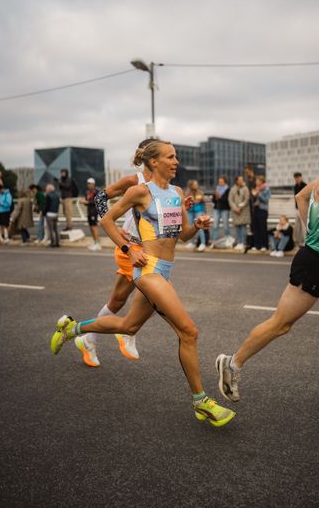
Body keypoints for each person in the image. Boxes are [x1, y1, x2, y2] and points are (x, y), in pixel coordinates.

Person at [50, 140, 236, 426]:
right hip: (148, 270)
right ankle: (202, 402)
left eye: (176, 157)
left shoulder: (176, 192)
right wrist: (128, 249)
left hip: (166, 269)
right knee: (189, 332)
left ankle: (72, 328)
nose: (176, 162)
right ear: (153, 162)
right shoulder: (140, 192)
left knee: (128, 326)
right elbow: (107, 221)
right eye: (171, 157)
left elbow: (181, 236)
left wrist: (196, 227)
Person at [216, 115, 319, 415]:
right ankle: (232, 364)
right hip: (316, 264)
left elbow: (301, 196)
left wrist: (311, 231)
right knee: (281, 324)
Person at [74, 139, 155, 367]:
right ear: (152, 158)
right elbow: (100, 197)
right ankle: (128, 330)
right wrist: (110, 223)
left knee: (117, 301)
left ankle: (88, 339)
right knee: (157, 295)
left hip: (149, 249)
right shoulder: (134, 181)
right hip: (131, 247)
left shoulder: (165, 184)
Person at [184, 180, 208, 252]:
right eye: (195, 184)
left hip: (199, 211)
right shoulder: (188, 192)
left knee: (199, 227)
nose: (196, 185)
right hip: (190, 211)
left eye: (197, 184)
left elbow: (204, 201)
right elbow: (185, 200)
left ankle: (203, 243)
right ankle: (192, 242)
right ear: (191, 185)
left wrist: (204, 212)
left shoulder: (200, 192)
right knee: (191, 227)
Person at [229, 175, 250, 252]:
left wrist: (240, 207)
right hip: (235, 211)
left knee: (243, 227)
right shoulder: (233, 189)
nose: (241, 181)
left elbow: (246, 199)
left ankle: (243, 243)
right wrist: (235, 208)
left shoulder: (245, 188)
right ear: (236, 181)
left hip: (243, 210)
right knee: (237, 227)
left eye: (242, 179)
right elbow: (230, 199)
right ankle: (239, 242)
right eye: (240, 180)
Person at [80, 178, 101, 251]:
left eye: (90, 183)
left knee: (94, 227)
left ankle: (98, 243)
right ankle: (95, 241)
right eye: (88, 184)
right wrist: (83, 202)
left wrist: (87, 202)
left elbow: (96, 201)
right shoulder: (87, 192)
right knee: (91, 227)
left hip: (94, 211)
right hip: (89, 211)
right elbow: (87, 202)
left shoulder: (96, 191)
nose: (89, 185)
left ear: (93, 184)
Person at [251, 175, 271, 251]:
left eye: (257, 181)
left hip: (263, 210)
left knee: (262, 228)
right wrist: (253, 195)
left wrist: (258, 194)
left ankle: (264, 245)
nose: (256, 182)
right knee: (255, 227)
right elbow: (253, 199)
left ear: (261, 181)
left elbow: (266, 200)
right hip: (255, 209)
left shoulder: (267, 189)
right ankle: (256, 245)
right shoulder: (256, 189)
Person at [211, 175, 232, 248]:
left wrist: (220, 197)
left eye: (221, 182)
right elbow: (213, 200)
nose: (220, 183)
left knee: (226, 226)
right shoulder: (217, 189)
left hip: (225, 209)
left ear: (225, 182)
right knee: (215, 226)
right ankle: (214, 242)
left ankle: (228, 241)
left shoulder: (228, 189)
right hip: (217, 208)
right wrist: (216, 197)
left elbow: (228, 201)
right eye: (219, 181)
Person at [293, 172, 307, 248]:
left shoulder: (305, 186)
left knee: (303, 226)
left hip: (303, 208)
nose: (297, 179)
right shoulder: (295, 186)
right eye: (296, 178)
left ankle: (305, 242)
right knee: (297, 226)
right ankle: (298, 242)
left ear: (301, 177)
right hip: (297, 208)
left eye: (298, 178)